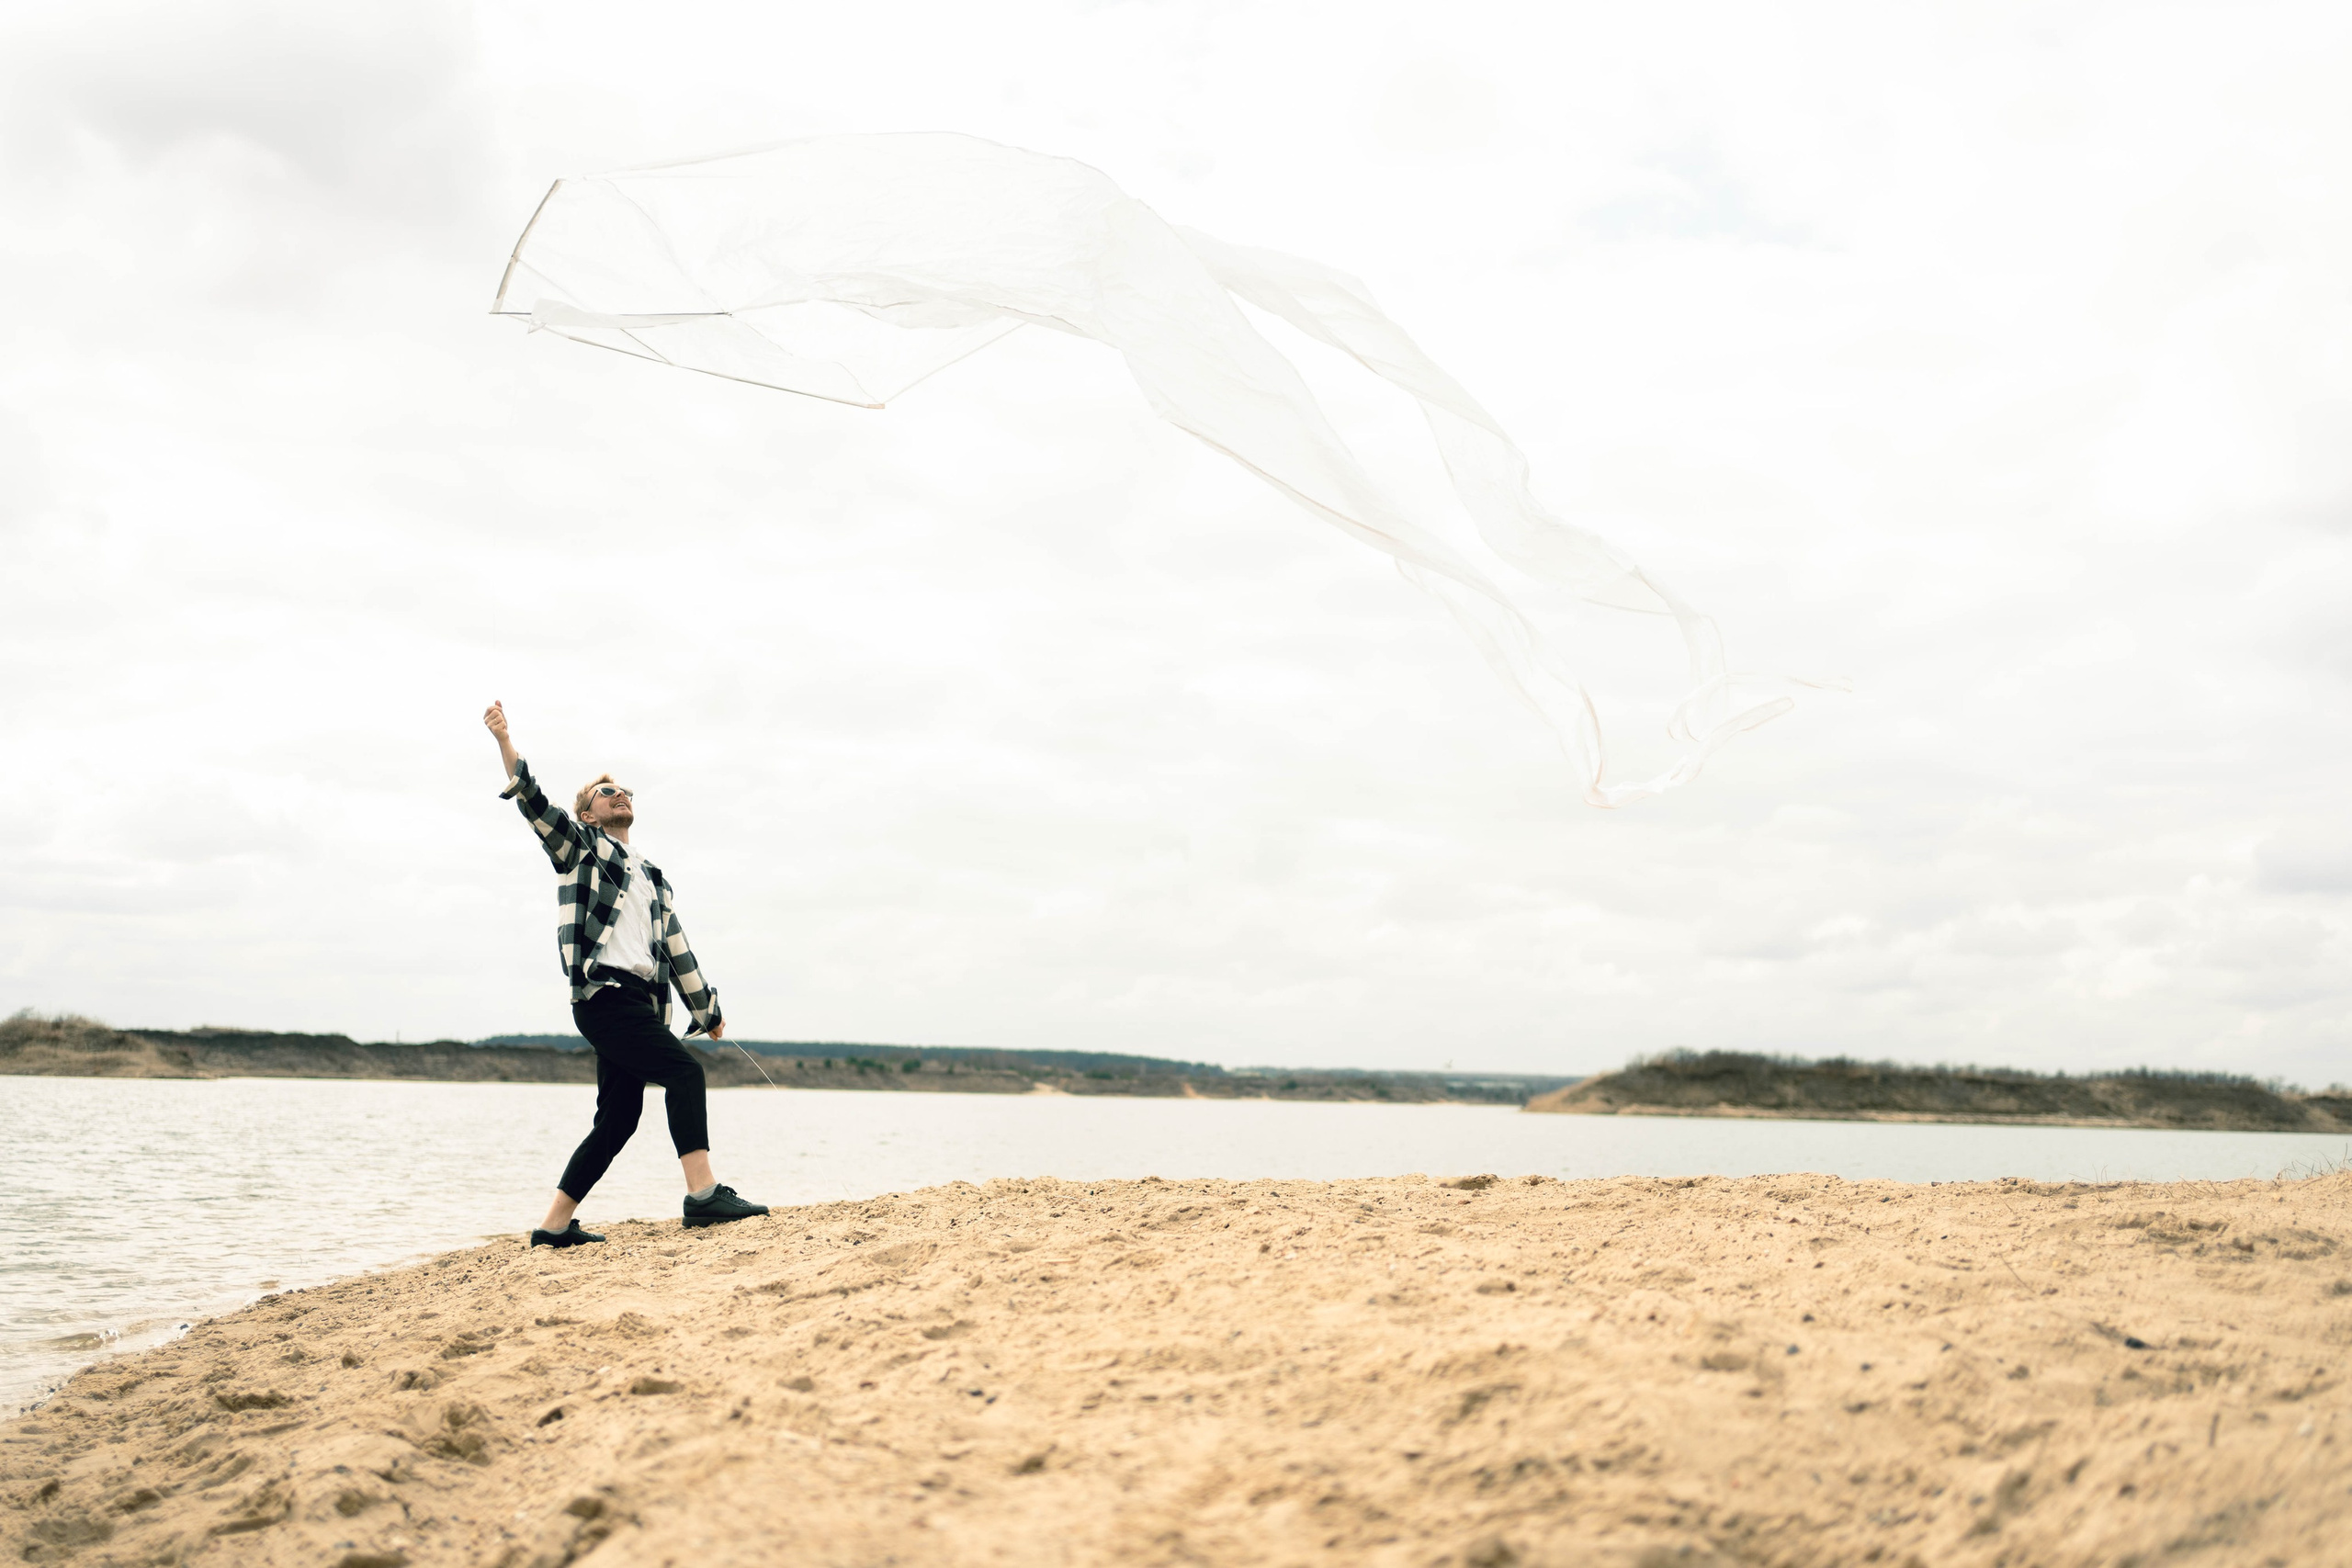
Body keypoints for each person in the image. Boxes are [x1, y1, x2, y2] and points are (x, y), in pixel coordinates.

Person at [482, 699, 769, 1247]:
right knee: (685, 1075)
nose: (621, 796)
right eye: (606, 793)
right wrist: (504, 743)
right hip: (603, 995)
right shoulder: (580, 852)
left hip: (640, 1002)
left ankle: (553, 1225)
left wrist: (706, 1010)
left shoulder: (654, 878)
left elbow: (679, 949)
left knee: (617, 1119)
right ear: (588, 814)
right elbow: (536, 803)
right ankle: (703, 1196)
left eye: (627, 793)